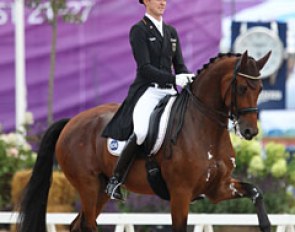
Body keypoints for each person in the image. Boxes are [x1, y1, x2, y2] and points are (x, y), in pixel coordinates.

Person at [102, 0, 195, 200]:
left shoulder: (171, 32)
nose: (163, 2)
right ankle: (115, 179)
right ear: (145, 2)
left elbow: (179, 65)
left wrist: (188, 78)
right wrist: (174, 79)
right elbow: (145, 69)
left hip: (170, 91)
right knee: (142, 131)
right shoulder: (139, 30)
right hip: (148, 91)